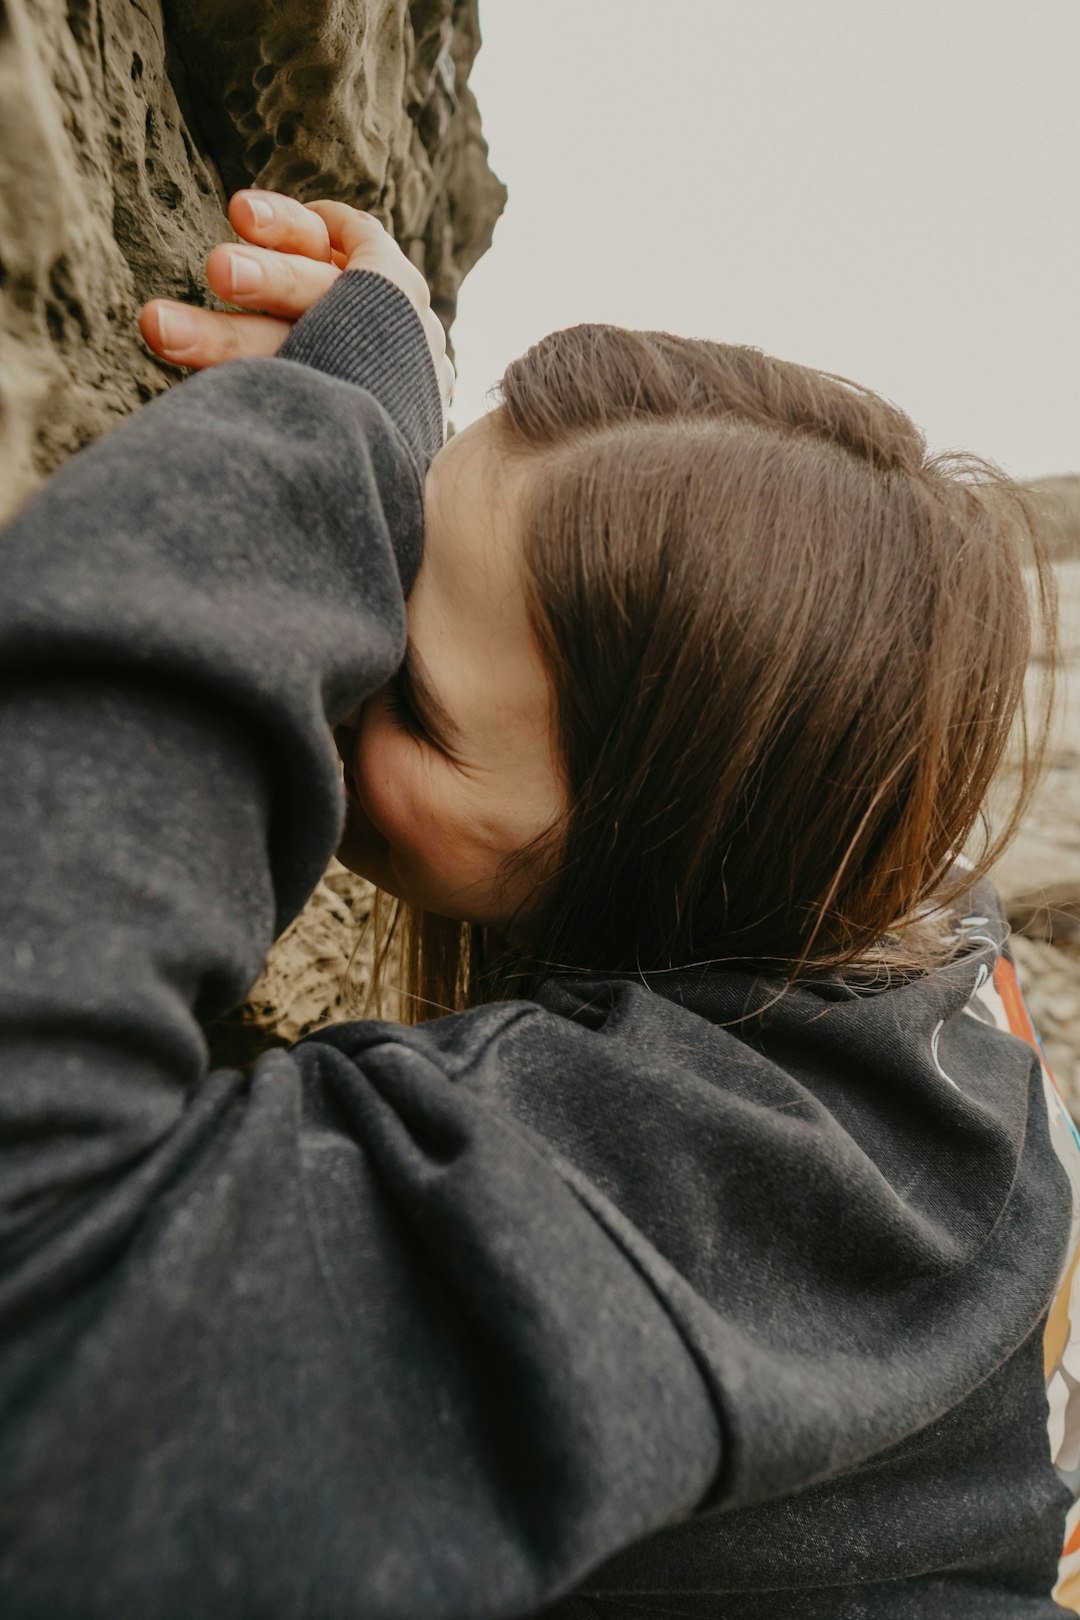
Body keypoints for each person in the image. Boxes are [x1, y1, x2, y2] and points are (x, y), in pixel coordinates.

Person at [0, 188, 1076, 1620]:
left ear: (659, 849)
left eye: (411, 704)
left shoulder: (705, 1191)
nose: (331, 650)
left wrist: (307, 465)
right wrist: (392, 385)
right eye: (384, 550)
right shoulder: (885, 910)